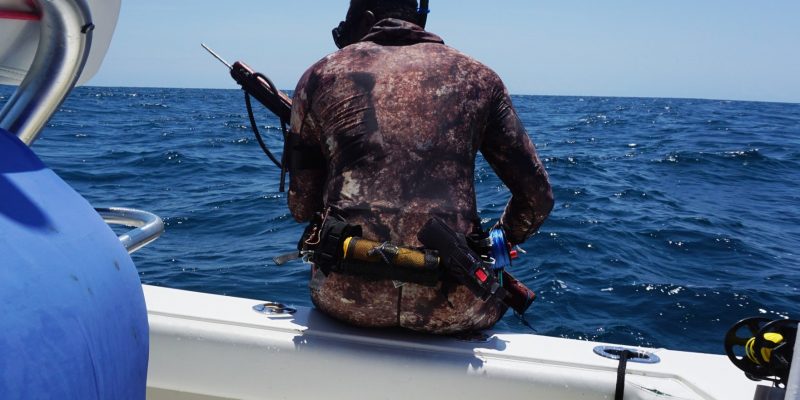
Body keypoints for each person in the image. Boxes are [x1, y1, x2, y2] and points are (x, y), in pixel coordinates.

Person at [287, 0, 553, 334]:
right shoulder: (479, 78)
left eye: (344, 29)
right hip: (453, 309)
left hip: (346, 300)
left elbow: (301, 207)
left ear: (367, 19)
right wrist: (491, 245)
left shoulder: (318, 76)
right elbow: (538, 197)